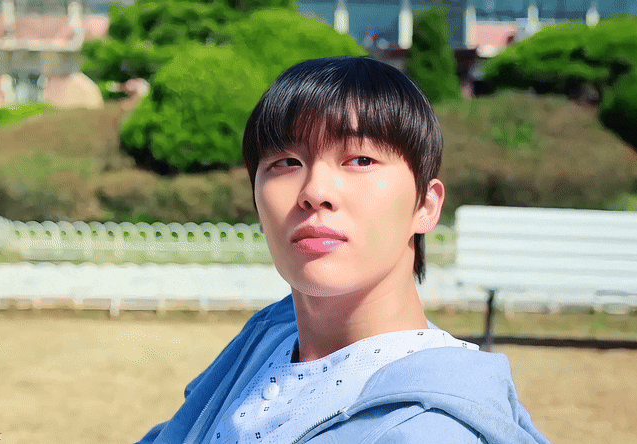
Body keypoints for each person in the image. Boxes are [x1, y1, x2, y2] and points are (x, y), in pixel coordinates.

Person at [135, 56, 551, 444]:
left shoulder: (432, 428)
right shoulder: (266, 341)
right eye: (286, 162)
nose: (315, 192)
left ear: (426, 206)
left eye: (360, 160)